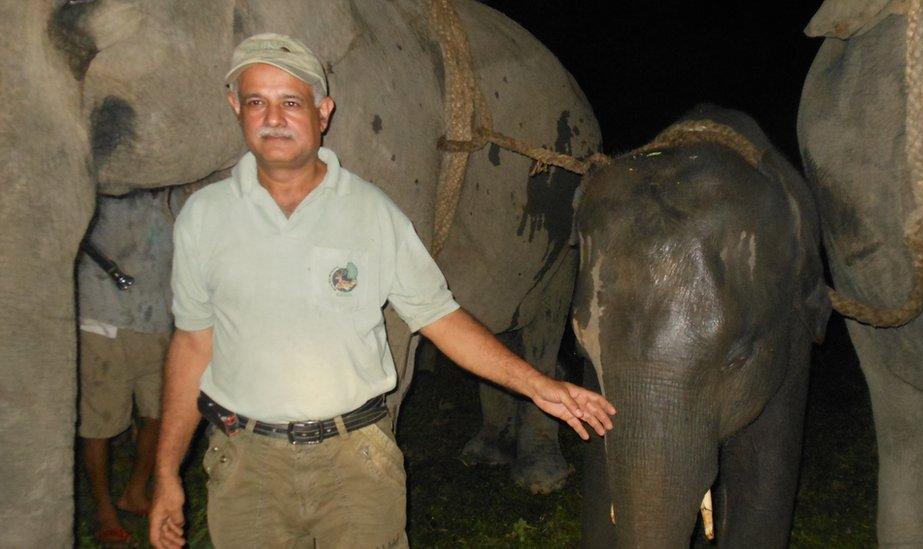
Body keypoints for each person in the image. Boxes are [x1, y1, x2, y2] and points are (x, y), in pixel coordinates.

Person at [149, 33, 615, 548]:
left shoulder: (372, 212)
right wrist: (167, 472)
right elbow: (193, 344)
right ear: (235, 107)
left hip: (355, 463)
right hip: (246, 464)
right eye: (257, 101)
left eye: (290, 102)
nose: (273, 118)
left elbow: (440, 317)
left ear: (322, 113)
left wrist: (538, 384)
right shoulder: (203, 218)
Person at [78, 190, 175, 545]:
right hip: (103, 322)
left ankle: (135, 492)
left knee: (160, 414)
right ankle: (104, 510)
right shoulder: (107, 189)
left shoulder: (172, 195)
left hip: (159, 322)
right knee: (99, 423)